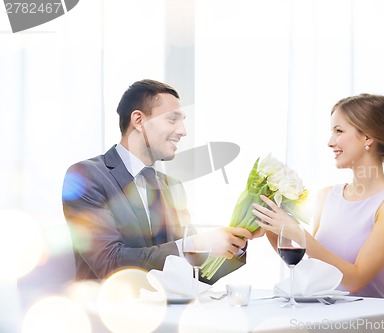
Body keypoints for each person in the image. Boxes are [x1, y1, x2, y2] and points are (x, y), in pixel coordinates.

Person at [62, 79, 256, 283]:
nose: (183, 131)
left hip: (168, 313)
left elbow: (198, 273)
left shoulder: (173, 187)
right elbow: (109, 263)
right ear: (138, 120)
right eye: (172, 120)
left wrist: (238, 239)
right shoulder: (86, 175)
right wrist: (194, 245)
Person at [252, 93, 384, 298]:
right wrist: (275, 230)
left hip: (369, 321)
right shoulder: (326, 196)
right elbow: (315, 273)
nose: (330, 142)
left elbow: (355, 280)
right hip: (323, 316)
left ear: (368, 137)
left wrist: (298, 233)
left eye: (339, 131)